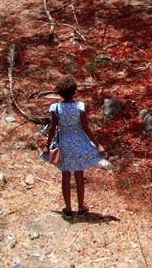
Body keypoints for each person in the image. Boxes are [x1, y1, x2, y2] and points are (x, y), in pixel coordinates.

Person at [42, 75, 105, 218]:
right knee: (78, 174)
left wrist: (47, 146)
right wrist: (98, 144)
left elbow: (52, 129)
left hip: (64, 143)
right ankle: (81, 207)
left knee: (65, 175)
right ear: (74, 91)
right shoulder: (79, 107)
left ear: (59, 93)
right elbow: (86, 127)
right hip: (79, 142)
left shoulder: (56, 108)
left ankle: (68, 208)